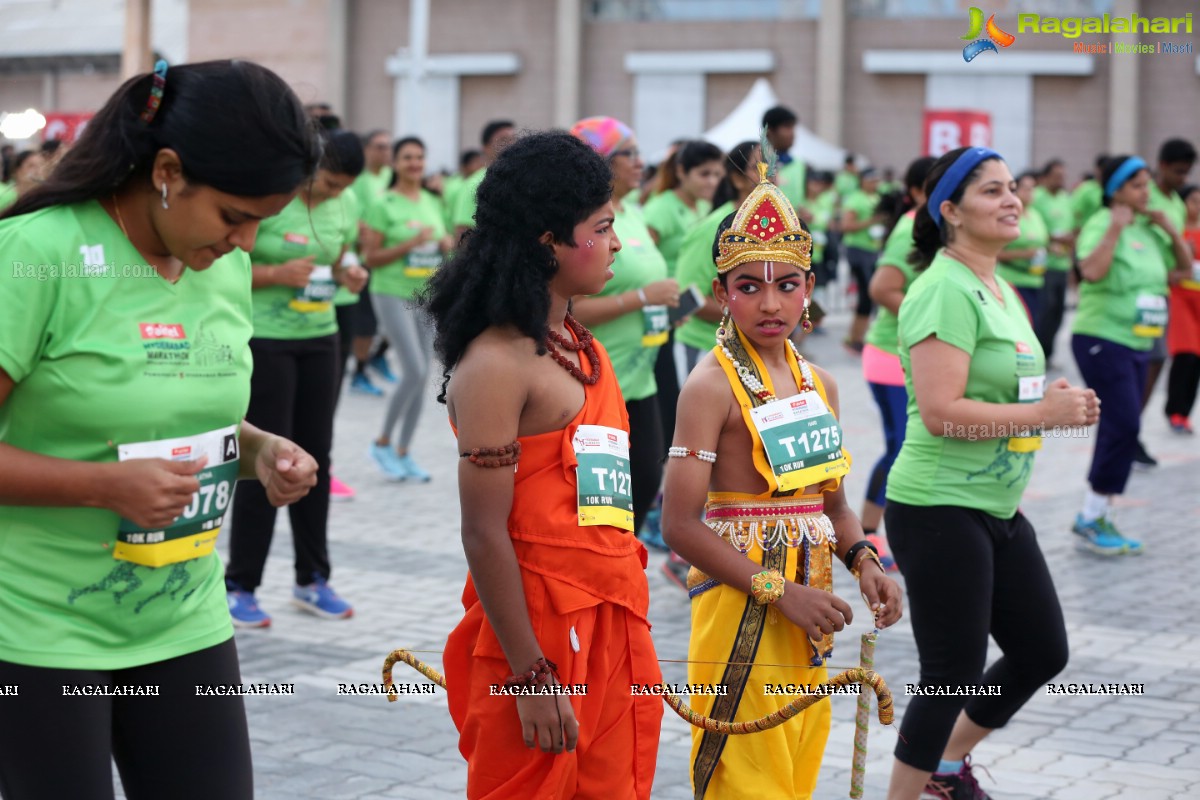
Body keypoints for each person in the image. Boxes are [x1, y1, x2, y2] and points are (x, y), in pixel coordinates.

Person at [0, 59, 320, 799]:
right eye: (235, 216)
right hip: (38, 629)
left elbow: (188, 420)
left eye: (262, 224)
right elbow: (113, 457)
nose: (246, 243)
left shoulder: (219, 266)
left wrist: (262, 451)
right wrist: (100, 487)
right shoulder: (36, 256)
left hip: (183, 620)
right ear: (168, 171)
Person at [425, 130, 663, 799]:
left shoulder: (582, 345)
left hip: (613, 617)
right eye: (603, 228)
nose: (617, 244)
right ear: (547, 242)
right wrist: (529, 676)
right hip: (534, 639)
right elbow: (483, 533)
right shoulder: (496, 366)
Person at [662, 155, 902, 800]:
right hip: (744, 601)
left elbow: (835, 505)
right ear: (720, 292)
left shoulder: (818, 382)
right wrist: (778, 591)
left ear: (810, 286)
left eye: (787, 285)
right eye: (747, 286)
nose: (770, 303)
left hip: (810, 604)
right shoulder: (708, 387)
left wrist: (865, 561)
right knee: (744, 771)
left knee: (796, 763)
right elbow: (679, 524)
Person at [884, 147, 1091, 800]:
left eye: (1013, 188)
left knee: (1041, 650)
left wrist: (1048, 400)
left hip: (997, 505)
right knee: (951, 671)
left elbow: (1005, 389)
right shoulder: (941, 287)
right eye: (992, 191)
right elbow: (942, 413)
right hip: (939, 504)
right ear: (950, 211)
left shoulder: (999, 287)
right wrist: (1043, 412)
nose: (1012, 200)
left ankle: (945, 765)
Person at [224, 129, 368, 627]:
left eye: (342, 186)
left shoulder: (342, 202)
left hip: (320, 335)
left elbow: (342, 250)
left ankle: (312, 578)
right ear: (311, 166)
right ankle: (241, 583)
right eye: (328, 182)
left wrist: (350, 271)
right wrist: (274, 275)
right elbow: (226, 261)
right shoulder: (273, 197)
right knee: (268, 457)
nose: (333, 193)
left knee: (315, 459)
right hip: (267, 338)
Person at [1070, 154, 1190, 553]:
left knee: (1122, 425)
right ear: (1116, 189)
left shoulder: (1149, 229)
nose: (1146, 191)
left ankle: (1096, 512)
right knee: (1123, 424)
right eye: (1137, 185)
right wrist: (1115, 229)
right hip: (1102, 338)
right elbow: (1091, 271)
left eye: (1146, 185)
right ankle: (1091, 514)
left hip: (1141, 342)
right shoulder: (1103, 223)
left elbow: (1185, 270)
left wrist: (1170, 229)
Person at [570, 117, 679, 534]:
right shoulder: (584, 219)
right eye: (628, 153)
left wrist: (664, 308)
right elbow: (571, 307)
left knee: (646, 486)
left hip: (640, 378)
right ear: (600, 161)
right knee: (604, 512)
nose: (641, 161)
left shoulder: (631, 211)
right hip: (594, 380)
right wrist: (642, 298)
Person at [361, 136, 453, 481]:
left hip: (425, 296)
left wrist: (444, 245)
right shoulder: (383, 204)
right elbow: (371, 258)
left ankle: (403, 451)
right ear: (396, 164)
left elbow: (442, 246)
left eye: (419, 157)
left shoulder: (432, 201)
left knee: (422, 374)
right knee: (413, 370)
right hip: (390, 293)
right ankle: (382, 442)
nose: (415, 163)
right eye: (407, 157)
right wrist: (409, 244)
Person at [860, 155, 936, 568]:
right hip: (890, 357)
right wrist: (929, 316)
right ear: (920, 192)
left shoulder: (933, 228)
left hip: (907, 358)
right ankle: (871, 535)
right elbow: (881, 287)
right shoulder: (910, 228)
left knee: (905, 447)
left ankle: (876, 531)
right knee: (900, 449)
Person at [643, 139, 723, 462]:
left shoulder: (705, 208)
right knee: (670, 402)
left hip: (691, 309)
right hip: (667, 313)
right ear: (681, 172)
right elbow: (643, 261)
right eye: (704, 174)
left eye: (717, 174)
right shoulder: (660, 207)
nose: (712, 182)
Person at [1135, 138, 1197, 462]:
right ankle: (1126, 430)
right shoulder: (1146, 195)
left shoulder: (1174, 203)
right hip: (1136, 293)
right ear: (1161, 166)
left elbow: (1180, 255)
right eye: (1178, 172)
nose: (1182, 179)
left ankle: (1131, 429)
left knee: (1154, 362)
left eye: (1186, 174)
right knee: (1141, 362)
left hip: (1160, 295)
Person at [675, 141, 761, 372]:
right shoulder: (713, 229)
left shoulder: (776, 227)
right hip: (707, 348)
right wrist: (755, 313)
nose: (769, 176)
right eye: (758, 167)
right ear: (737, 179)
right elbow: (687, 297)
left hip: (756, 350)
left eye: (774, 167)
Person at [343, 129, 396, 396]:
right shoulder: (357, 181)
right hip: (363, 259)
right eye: (379, 147)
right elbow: (352, 217)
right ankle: (359, 372)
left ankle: (378, 357)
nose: (385, 152)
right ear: (367, 150)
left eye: (388, 147)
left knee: (396, 321)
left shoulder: (390, 177)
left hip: (393, 263)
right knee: (366, 323)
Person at [1031, 159, 1076, 363]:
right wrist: (1053, 240)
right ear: (1046, 177)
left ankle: (1049, 354)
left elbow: (1072, 227)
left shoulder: (1066, 199)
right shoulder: (1037, 197)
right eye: (1056, 176)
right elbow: (1033, 228)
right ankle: (1038, 353)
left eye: (1063, 176)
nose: (1061, 180)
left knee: (1058, 312)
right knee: (1044, 311)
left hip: (1063, 264)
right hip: (1044, 265)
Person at [1164, 184, 1200, 433]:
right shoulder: (1175, 232)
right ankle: (1174, 410)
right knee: (1185, 354)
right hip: (1179, 299)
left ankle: (1185, 413)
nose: (1197, 206)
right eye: (1193, 201)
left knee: (1197, 359)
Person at [840, 166, 886, 351]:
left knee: (870, 297)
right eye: (871, 180)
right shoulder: (855, 198)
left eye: (877, 180)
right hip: (857, 250)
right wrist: (872, 221)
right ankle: (854, 337)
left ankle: (858, 336)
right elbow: (846, 225)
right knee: (866, 295)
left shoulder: (877, 197)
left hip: (873, 250)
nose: (875, 183)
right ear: (863, 181)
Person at [997, 170, 1050, 319]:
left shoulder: (1035, 215)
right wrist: (1024, 254)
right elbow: (996, 253)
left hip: (1036, 279)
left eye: (1033, 188)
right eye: (1026, 188)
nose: (1030, 193)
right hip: (1014, 281)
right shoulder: (1008, 215)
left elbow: (1042, 242)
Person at [451, 119, 517, 239]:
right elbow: (463, 231)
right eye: (503, 140)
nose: (511, 144)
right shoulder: (475, 183)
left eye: (513, 139)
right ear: (486, 147)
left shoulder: (521, 179)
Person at [763, 104, 806, 211]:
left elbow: (801, 201)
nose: (792, 134)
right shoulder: (755, 163)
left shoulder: (798, 165)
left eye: (793, 128)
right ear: (769, 132)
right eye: (787, 127)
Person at [442, 148, 483, 230]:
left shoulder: (453, 182)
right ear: (464, 166)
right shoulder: (469, 184)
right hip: (458, 233)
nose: (481, 165)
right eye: (477, 162)